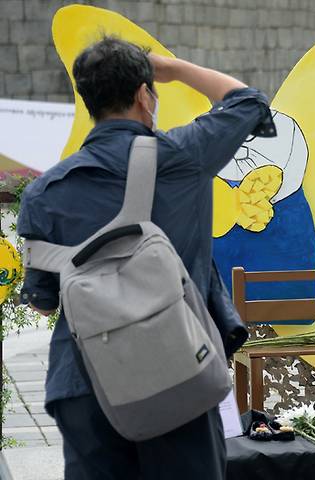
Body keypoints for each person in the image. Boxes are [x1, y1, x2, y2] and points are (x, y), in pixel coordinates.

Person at [17, 36, 274, 479]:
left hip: (82, 383)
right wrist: (172, 70)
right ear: (143, 95)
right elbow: (247, 101)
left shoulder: (45, 191)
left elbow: (43, 299)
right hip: (175, 374)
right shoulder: (182, 155)